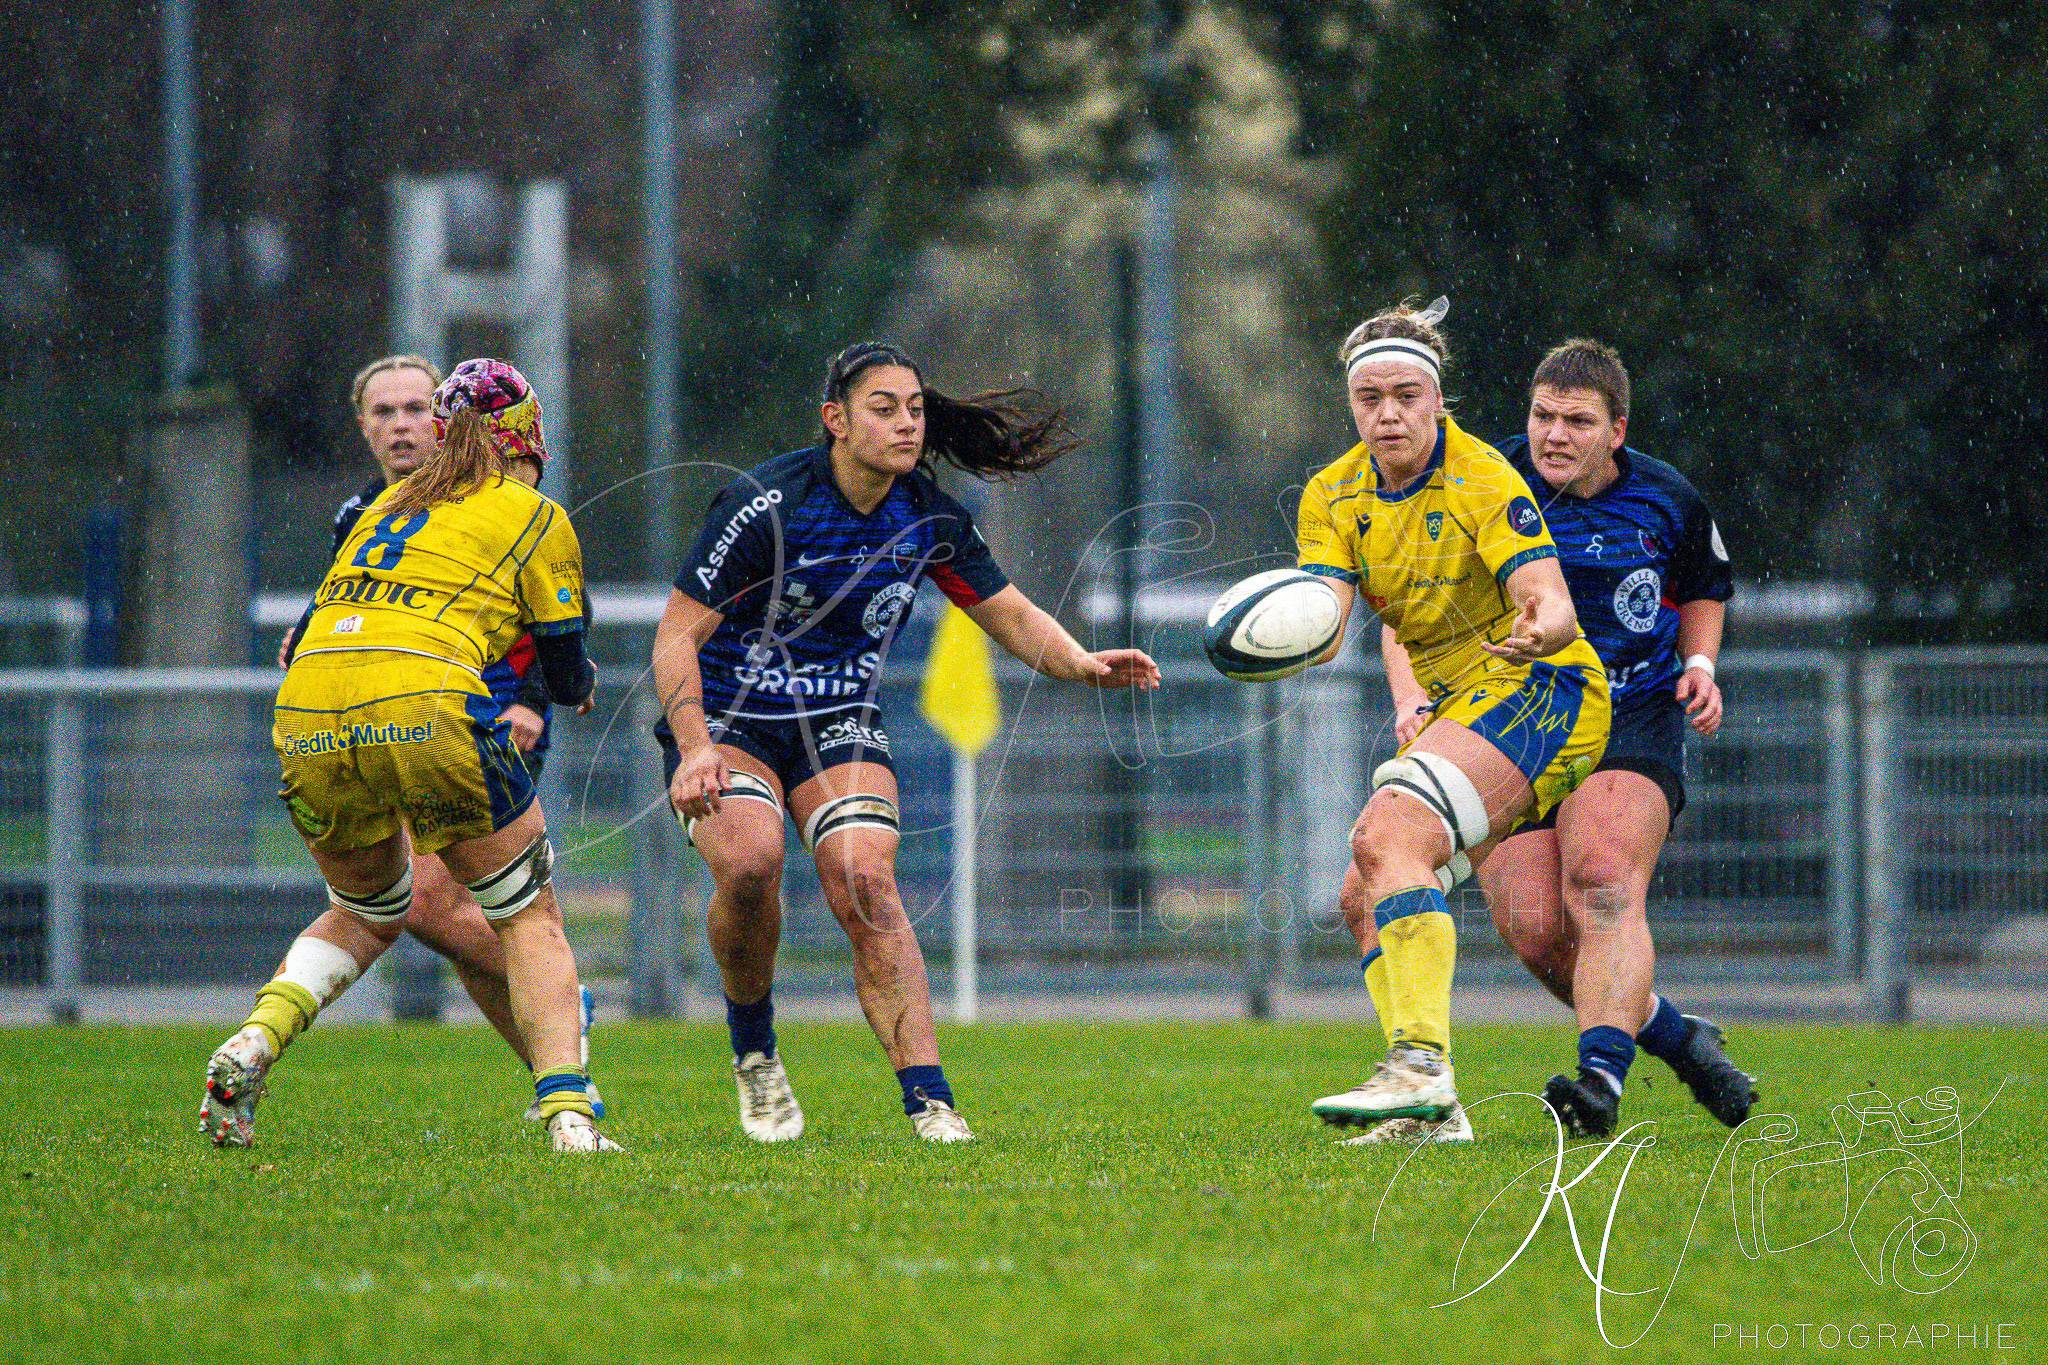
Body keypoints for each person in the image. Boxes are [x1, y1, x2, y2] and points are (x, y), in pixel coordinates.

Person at [652, 341, 1160, 1144]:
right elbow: (675, 636)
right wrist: (693, 748)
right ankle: (754, 1047)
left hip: (838, 718)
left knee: (866, 879)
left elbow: (1009, 611)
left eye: (916, 409)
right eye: (884, 408)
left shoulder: (927, 516)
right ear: (835, 419)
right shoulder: (766, 505)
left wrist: (1081, 663)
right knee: (749, 866)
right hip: (731, 719)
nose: (906, 424)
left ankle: (931, 1103)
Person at [201, 359, 617, 1153]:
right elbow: (566, 663)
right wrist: (577, 683)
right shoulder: (531, 511)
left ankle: (256, 1037)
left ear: (439, 430)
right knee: (526, 914)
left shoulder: (379, 507)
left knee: (369, 907)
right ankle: (570, 1114)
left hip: (308, 709)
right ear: (526, 438)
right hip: (429, 707)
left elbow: (324, 618)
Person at [1380, 338, 1755, 1140]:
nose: (1554, 434)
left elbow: (1705, 587)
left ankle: (1599, 1081)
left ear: (1617, 431)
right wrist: (1413, 699)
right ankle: (1677, 1037)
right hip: (1508, 719)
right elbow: (1406, 603)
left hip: (1628, 712)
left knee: (1602, 881)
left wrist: (1699, 664)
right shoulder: (1481, 482)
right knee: (1539, 931)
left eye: (1577, 421)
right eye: (1542, 415)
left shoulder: (1668, 499)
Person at [1294, 298, 1610, 1144]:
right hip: (1465, 705)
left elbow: (1551, 603)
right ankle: (1432, 1114)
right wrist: (1280, 634)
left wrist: (1540, 624)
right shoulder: (1331, 495)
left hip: (1546, 688)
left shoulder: (1482, 476)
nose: (1388, 415)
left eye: (1407, 396)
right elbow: (1325, 624)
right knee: (1363, 894)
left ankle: (1420, 1062)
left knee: (1388, 833)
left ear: (1438, 399)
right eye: (1369, 399)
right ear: (1351, 403)